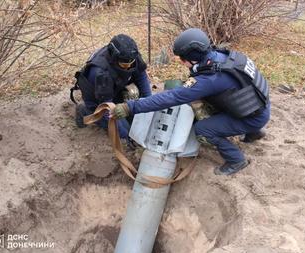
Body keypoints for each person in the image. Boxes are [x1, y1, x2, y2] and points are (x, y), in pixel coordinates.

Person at [111, 28, 271, 176]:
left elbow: (171, 98)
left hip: (253, 116)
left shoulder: (210, 79)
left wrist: (130, 107)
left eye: (182, 58)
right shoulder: (220, 57)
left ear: (193, 58)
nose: (180, 61)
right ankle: (253, 132)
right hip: (258, 106)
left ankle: (236, 159)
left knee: (202, 129)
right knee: (213, 99)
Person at [71, 34, 152, 140]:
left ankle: (120, 103)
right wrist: (125, 137)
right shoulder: (100, 72)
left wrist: (149, 104)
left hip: (114, 87)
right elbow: (106, 108)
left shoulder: (130, 55)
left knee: (140, 107)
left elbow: (141, 76)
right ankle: (85, 111)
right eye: (124, 65)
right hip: (97, 96)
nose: (129, 67)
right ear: (114, 58)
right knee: (124, 132)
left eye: (131, 63)